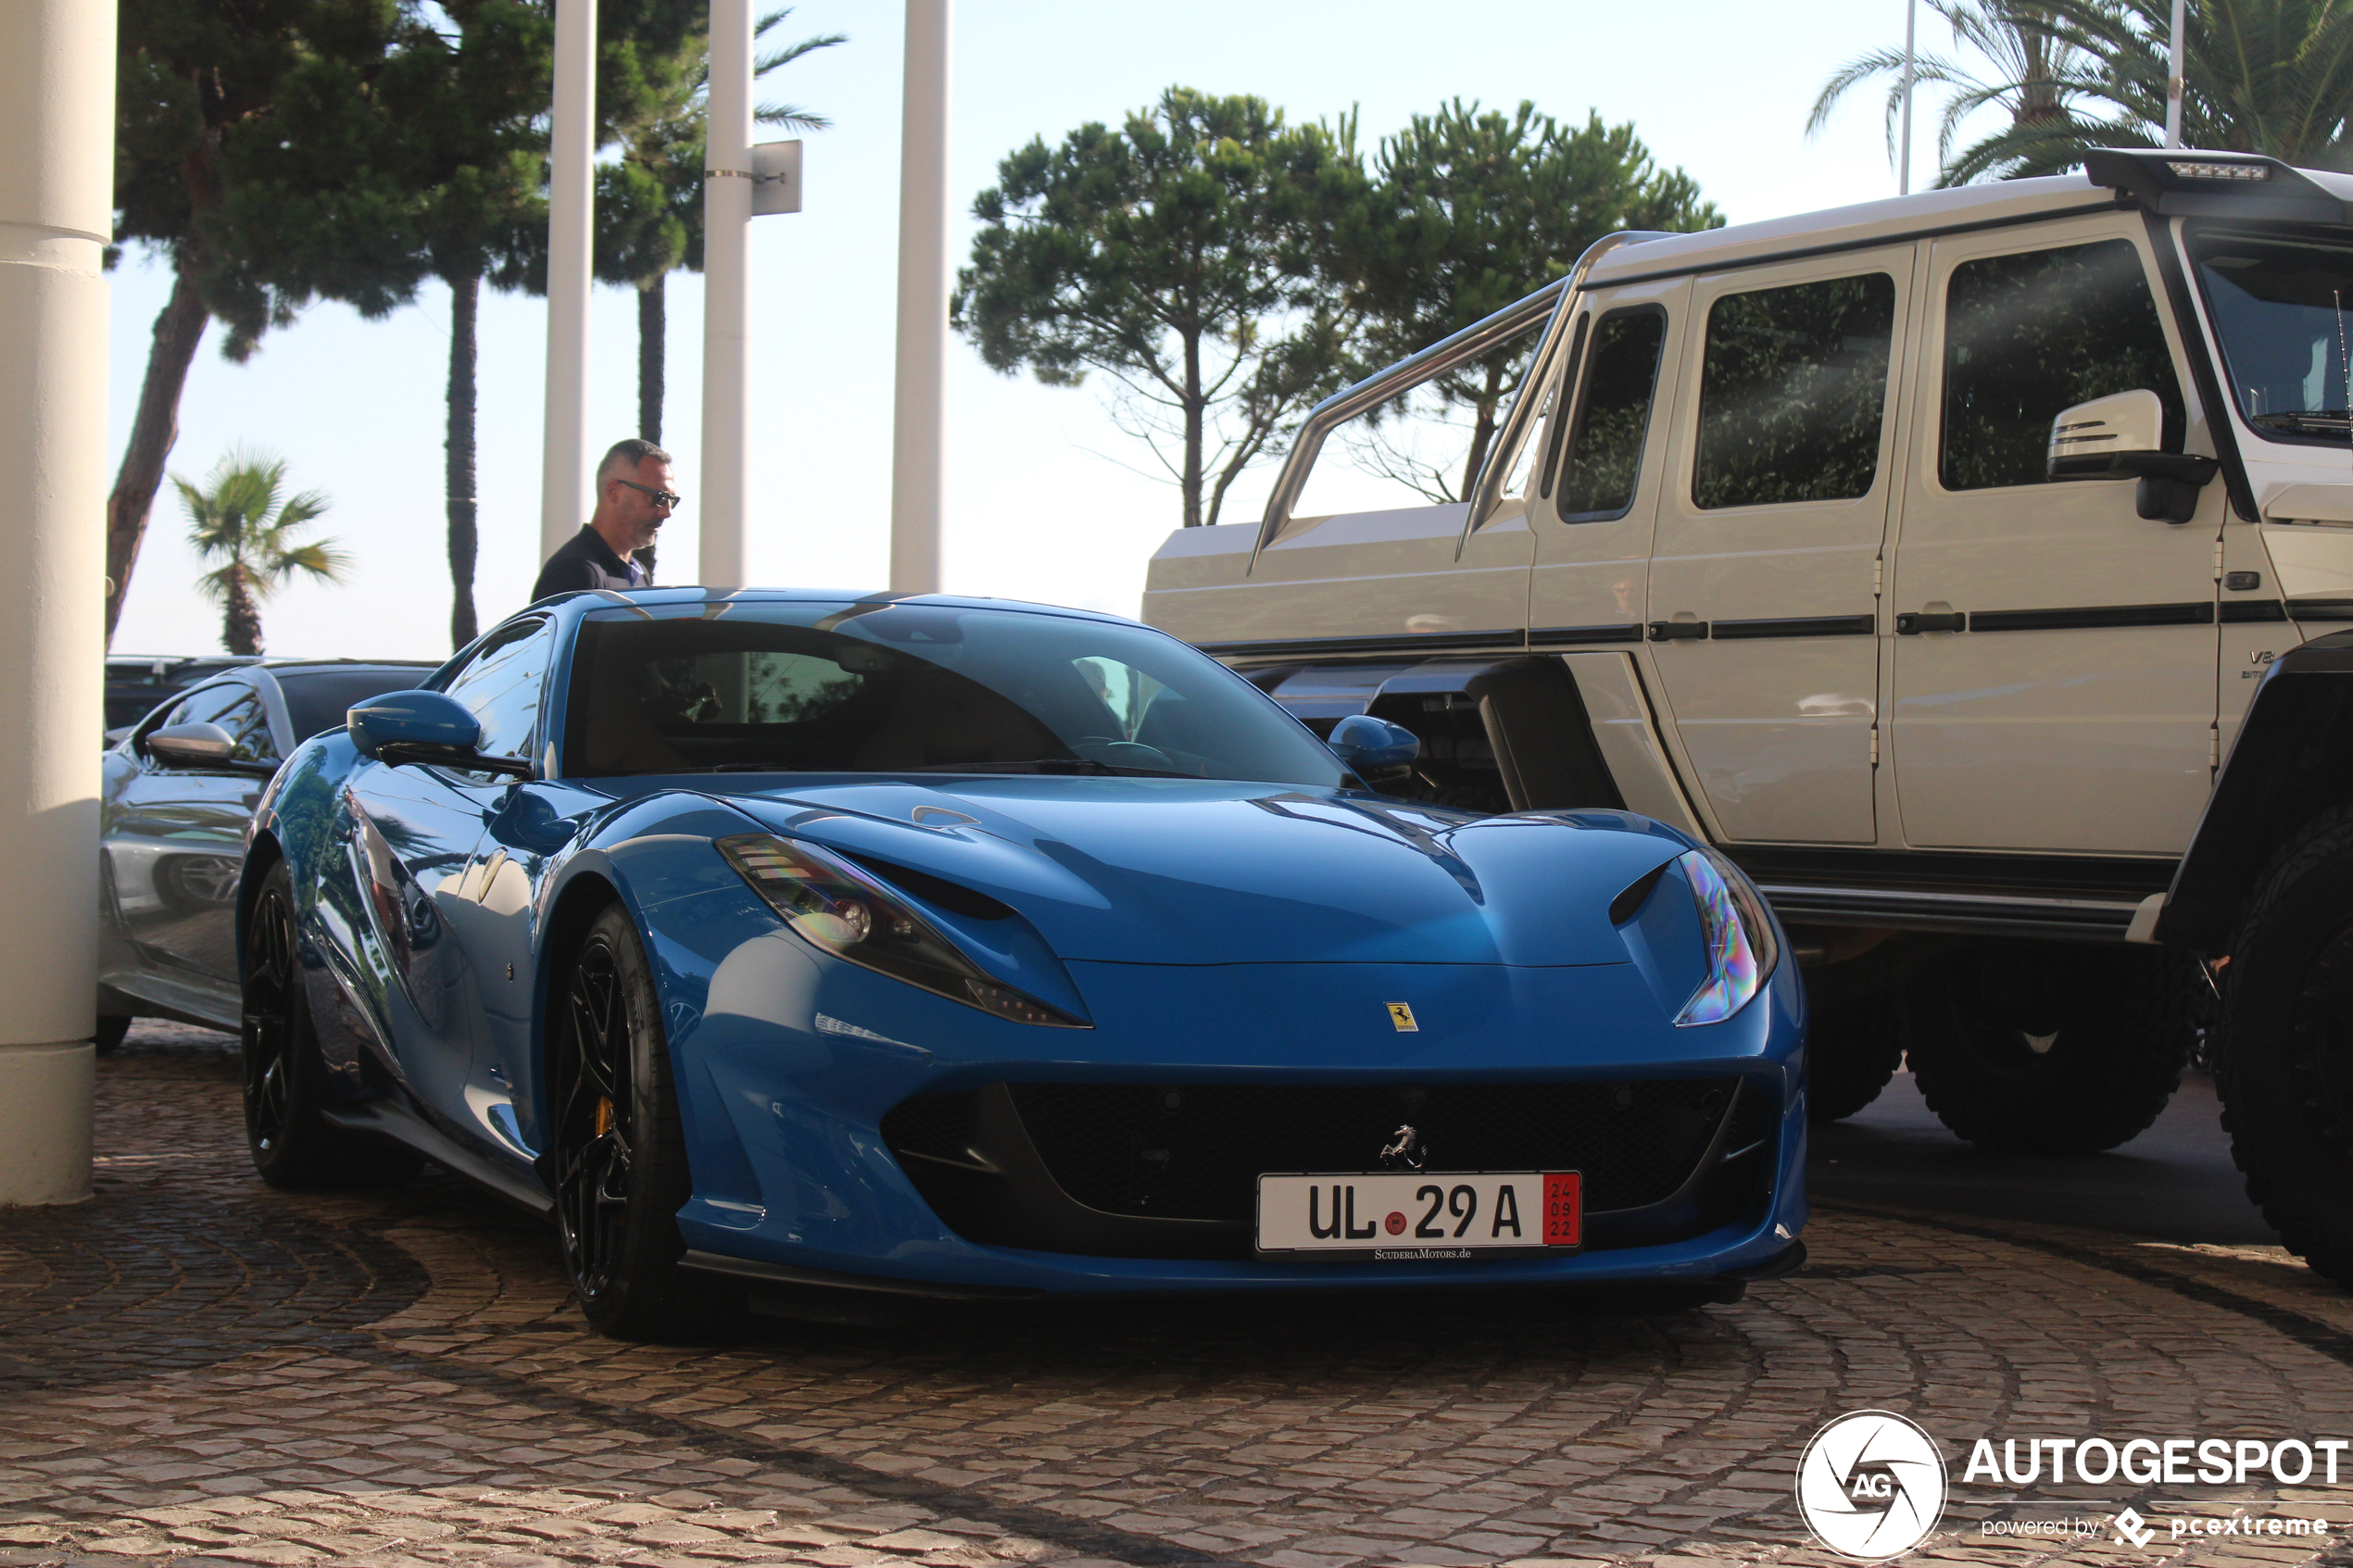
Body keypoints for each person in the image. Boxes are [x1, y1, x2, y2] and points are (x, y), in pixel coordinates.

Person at [531, 439, 678, 601]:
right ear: (614, 492)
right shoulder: (574, 571)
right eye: (659, 498)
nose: (667, 512)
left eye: (672, 500)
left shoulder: (638, 574)